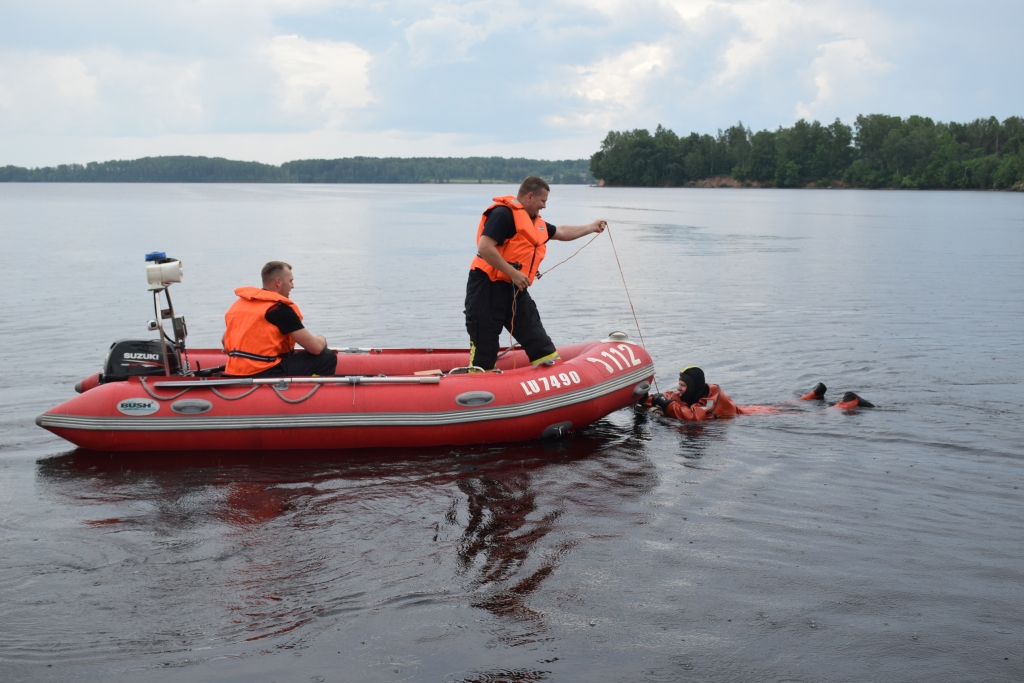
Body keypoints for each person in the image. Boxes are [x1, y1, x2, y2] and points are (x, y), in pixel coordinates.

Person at [465, 176, 607, 371]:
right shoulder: (503, 214)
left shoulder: (535, 223)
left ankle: (554, 385)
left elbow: (562, 232)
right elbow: (485, 247)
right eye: (543, 201)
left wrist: (591, 227)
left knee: (539, 341)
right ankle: (478, 382)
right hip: (486, 288)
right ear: (530, 197)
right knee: (485, 348)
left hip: (515, 290)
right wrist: (513, 273)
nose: (544, 206)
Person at [222, 261, 337, 377]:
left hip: (234, 371)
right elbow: (315, 348)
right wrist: (322, 338)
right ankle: (312, 391)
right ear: (278, 281)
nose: (293, 286)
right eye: (290, 281)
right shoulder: (279, 309)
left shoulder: (240, 305)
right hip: (265, 373)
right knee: (327, 356)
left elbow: (225, 342)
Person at [643, 367, 873, 421]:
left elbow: (694, 416)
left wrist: (665, 405)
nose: (679, 389)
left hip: (749, 416)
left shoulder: (710, 401)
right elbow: (673, 396)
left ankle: (847, 403)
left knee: (796, 415)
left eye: (683, 385)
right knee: (783, 405)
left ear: (692, 387)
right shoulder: (695, 392)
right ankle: (810, 398)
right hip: (746, 409)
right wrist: (651, 398)